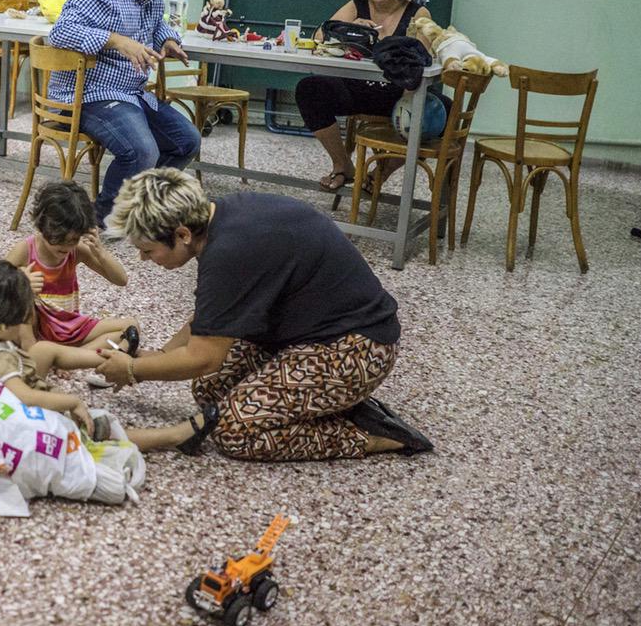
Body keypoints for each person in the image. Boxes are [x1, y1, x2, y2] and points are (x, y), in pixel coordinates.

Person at [93, 168, 434, 462]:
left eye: (147, 250)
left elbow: (203, 357)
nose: (142, 259)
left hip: (357, 349)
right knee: (211, 390)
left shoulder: (229, 252)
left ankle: (373, 436)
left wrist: (134, 369)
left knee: (234, 431)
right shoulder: (225, 217)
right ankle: (329, 404)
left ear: (182, 234)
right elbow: (213, 318)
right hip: (311, 335)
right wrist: (164, 355)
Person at [0, 259, 214, 454]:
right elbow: (23, 396)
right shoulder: (0, 357)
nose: (28, 319)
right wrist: (70, 401)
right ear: (2, 326)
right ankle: (174, 437)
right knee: (97, 431)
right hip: (20, 417)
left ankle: (113, 358)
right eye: (25, 316)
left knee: (44, 350)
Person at [46, 0, 202, 223]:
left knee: (187, 141)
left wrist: (168, 39)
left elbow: (157, 26)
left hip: (130, 94)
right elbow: (60, 32)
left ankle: (140, 208)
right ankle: (101, 222)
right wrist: (116, 40)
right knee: (141, 150)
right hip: (90, 93)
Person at [294, 0, 432, 192]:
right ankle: (343, 165)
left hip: (396, 96)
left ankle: (380, 172)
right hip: (354, 89)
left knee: (442, 112)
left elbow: (422, 55)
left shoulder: (418, 13)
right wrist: (350, 28)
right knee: (309, 89)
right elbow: (320, 36)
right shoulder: (356, 6)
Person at [4, 181, 139, 358]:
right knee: (22, 307)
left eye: (73, 240)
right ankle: (44, 354)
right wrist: (20, 281)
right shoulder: (25, 250)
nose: (66, 247)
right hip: (35, 329)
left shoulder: (77, 251)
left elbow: (121, 280)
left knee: (131, 326)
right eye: (59, 240)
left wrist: (101, 252)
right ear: (41, 226)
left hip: (68, 325)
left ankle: (65, 357)